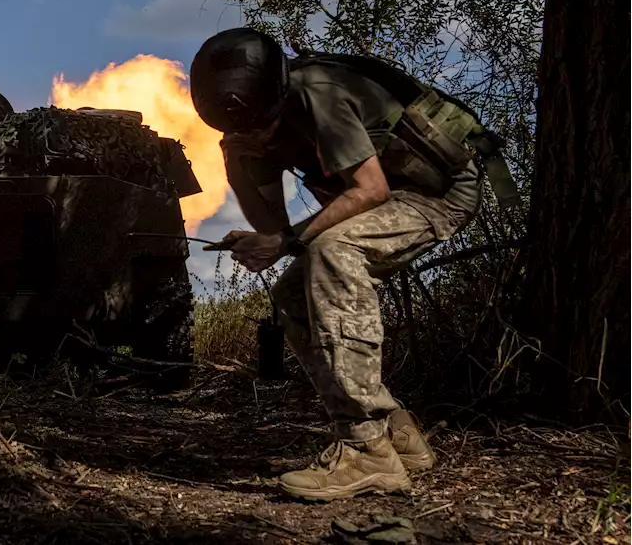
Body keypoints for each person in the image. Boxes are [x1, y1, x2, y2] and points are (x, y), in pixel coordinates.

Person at [188, 27, 483, 502]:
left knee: (334, 251)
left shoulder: (317, 94)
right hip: (386, 197)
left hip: (436, 194)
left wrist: (285, 241)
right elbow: (271, 227)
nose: (252, 135)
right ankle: (397, 433)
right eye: (238, 131)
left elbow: (371, 191)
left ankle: (366, 449)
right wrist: (239, 169)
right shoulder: (245, 131)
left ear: (277, 96)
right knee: (290, 291)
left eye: (258, 125)